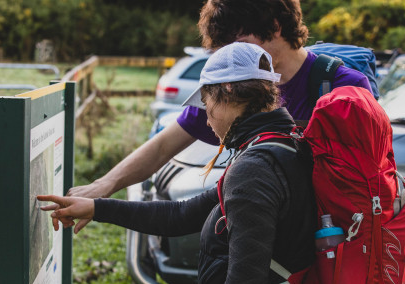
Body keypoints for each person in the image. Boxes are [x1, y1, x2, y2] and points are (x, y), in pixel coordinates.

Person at [39, 42, 316, 284]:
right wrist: (96, 208)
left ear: (227, 92)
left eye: (206, 104)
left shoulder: (255, 170)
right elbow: (183, 214)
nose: (207, 121)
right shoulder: (282, 146)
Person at [66, 0, 372, 225]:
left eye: (237, 44)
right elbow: (162, 146)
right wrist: (102, 186)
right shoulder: (232, 88)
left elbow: (364, 181)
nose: (229, 57)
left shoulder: (342, 87)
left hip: (329, 246)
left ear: (276, 28)